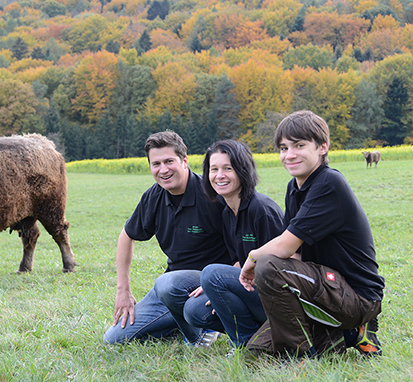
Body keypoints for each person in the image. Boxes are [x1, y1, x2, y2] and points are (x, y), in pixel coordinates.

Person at [239, 110, 384, 359]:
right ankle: (348, 334)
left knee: (269, 266)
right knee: (257, 352)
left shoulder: (329, 183)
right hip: (324, 288)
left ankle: (297, 358)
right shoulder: (294, 187)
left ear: (322, 147)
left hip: (357, 296)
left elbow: (284, 248)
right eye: (283, 148)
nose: (289, 154)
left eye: (299, 145)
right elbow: (295, 253)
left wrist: (252, 259)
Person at [103, 130, 232, 345]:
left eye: (169, 161)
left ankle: (201, 332)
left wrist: (216, 285)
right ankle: (182, 323)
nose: (163, 170)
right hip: (172, 290)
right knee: (114, 339)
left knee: (166, 284)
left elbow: (240, 246)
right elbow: (126, 236)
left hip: (208, 286)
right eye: (156, 164)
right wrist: (123, 291)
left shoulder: (212, 197)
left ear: (184, 160)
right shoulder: (153, 197)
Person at [189, 140, 286, 350]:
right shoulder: (227, 212)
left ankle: (246, 344)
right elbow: (239, 262)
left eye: (228, 168)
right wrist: (215, 290)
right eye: (213, 169)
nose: (219, 175)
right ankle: (259, 336)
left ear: (243, 171)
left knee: (211, 273)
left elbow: (283, 268)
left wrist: (217, 280)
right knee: (194, 310)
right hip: (252, 289)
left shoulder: (261, 209)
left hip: (279, 298)